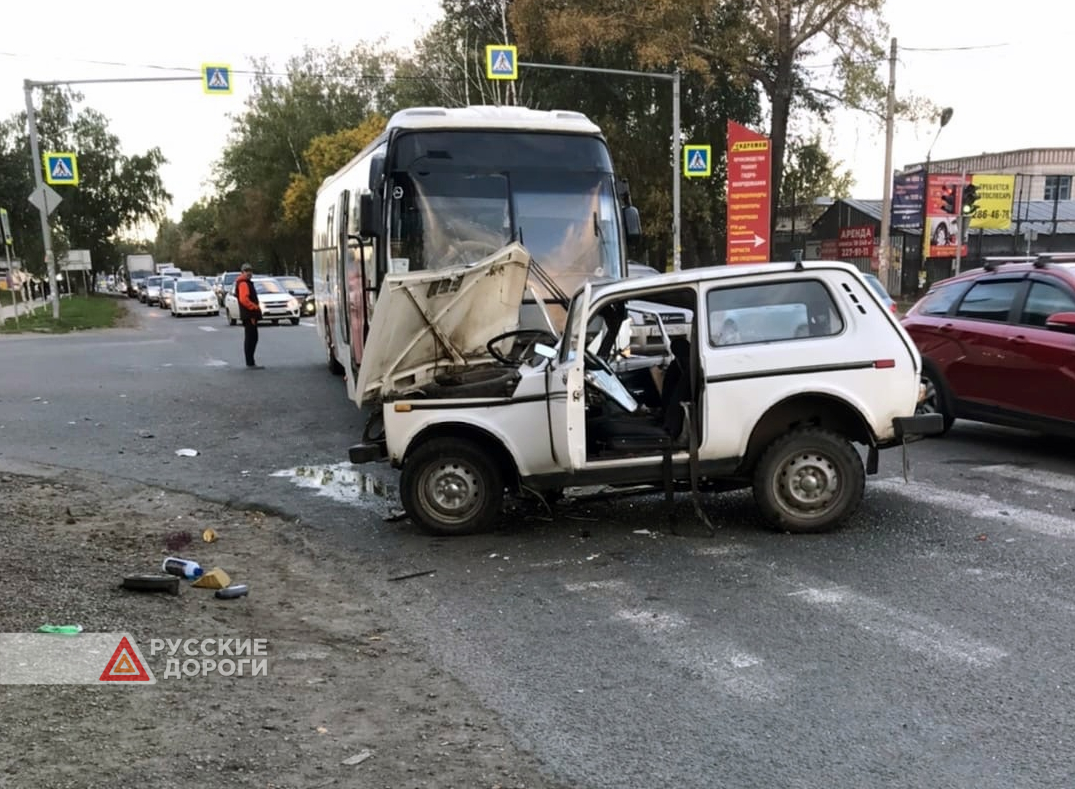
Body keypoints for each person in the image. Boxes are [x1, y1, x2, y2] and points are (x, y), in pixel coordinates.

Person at [235, 263, 264, 369]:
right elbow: (244, 299)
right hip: (249, 315)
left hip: (249, 314)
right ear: (242, 272)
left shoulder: (245, 282)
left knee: (252, 337)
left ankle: (250, 361)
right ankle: (250, 362)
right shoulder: (243, 283)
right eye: (246, 271)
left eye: (250, 271)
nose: (249, 273)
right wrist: (254, 307)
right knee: (251, 338)